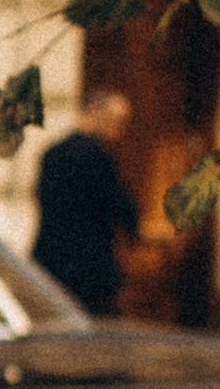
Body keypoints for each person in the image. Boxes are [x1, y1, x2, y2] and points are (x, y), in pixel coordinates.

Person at [31, 86, 139, 315]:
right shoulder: (99, 159)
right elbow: (123, 210)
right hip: (91, 276)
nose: (119, 130)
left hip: (50, 268)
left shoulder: (52, 154)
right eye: (114, 120)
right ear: (92, 112)